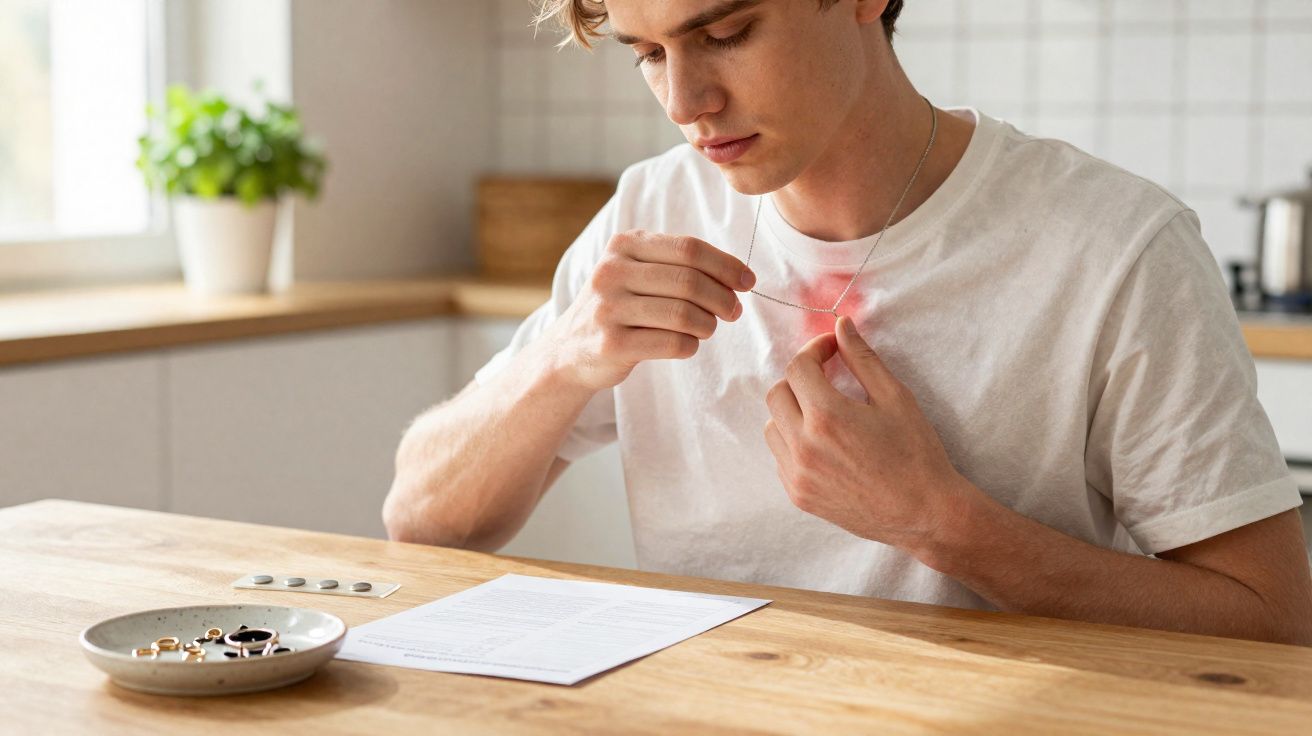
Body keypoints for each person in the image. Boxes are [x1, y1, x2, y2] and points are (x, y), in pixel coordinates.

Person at [383, 0, 1312, 644]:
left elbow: (1273, 624)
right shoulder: (650, 212)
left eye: (727, 31)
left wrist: (942, 522)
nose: (683, 102)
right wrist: (561, 360)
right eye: (648, 53)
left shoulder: (1117, 247)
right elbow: (423, 523)